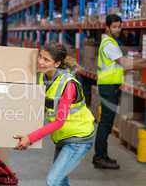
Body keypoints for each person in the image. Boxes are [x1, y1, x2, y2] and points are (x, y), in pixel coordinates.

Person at [14, 42, 95, 186]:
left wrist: (30, 138)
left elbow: (59, 122)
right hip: (63, 137)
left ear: (57, 63)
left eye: (46, 60)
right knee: (61, 180)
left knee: (53, 180)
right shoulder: (42, 77)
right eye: (40, 57)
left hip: (78, 138)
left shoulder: (68, 84)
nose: (40, 61)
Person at [93, 14, 146, 169]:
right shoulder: (109, 43)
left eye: (119, 26)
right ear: (107, 27)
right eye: (114, 26)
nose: (117, 29)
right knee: (105, 124)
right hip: (108, 87)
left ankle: (102, 155)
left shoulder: (110, 42)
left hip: (110, 86)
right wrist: (144, 63)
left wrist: (142, 62)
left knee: (106, 123)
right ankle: (99, 157)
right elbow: (125, 64)